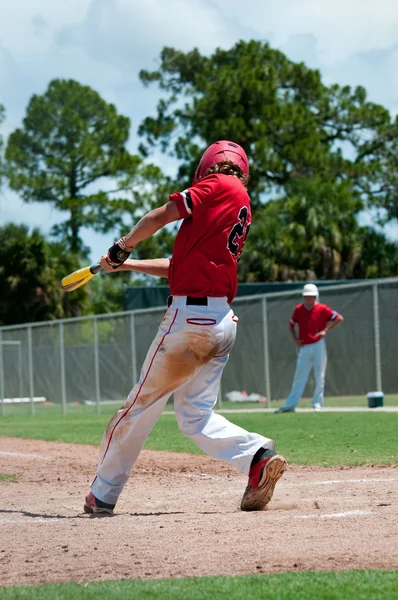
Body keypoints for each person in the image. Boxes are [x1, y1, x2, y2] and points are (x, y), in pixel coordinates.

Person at [83, 140, 287, 515]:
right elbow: (178, 264)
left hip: (189, 323)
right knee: (195, 416)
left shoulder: (218, 185)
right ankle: (257, 456)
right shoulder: (237, 200)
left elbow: (162, 215)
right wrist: (127, 265)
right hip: (220, 321)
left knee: (138, 408)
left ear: (210, 166)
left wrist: (121, 246)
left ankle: (103, 493)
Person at [275, 283, 344, 413]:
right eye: (307, 296)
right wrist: (296, 339)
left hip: (318, 344)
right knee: (299, 376)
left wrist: (326, 330)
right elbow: (291, 324)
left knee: (320, 375)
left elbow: (339, 318)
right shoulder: (299, 309)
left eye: (311, 296)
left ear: (315, 296)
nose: (309, 299)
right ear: (304, 297)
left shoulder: (322, 309)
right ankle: (290, 405)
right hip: (305, 346)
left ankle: (317, 404)